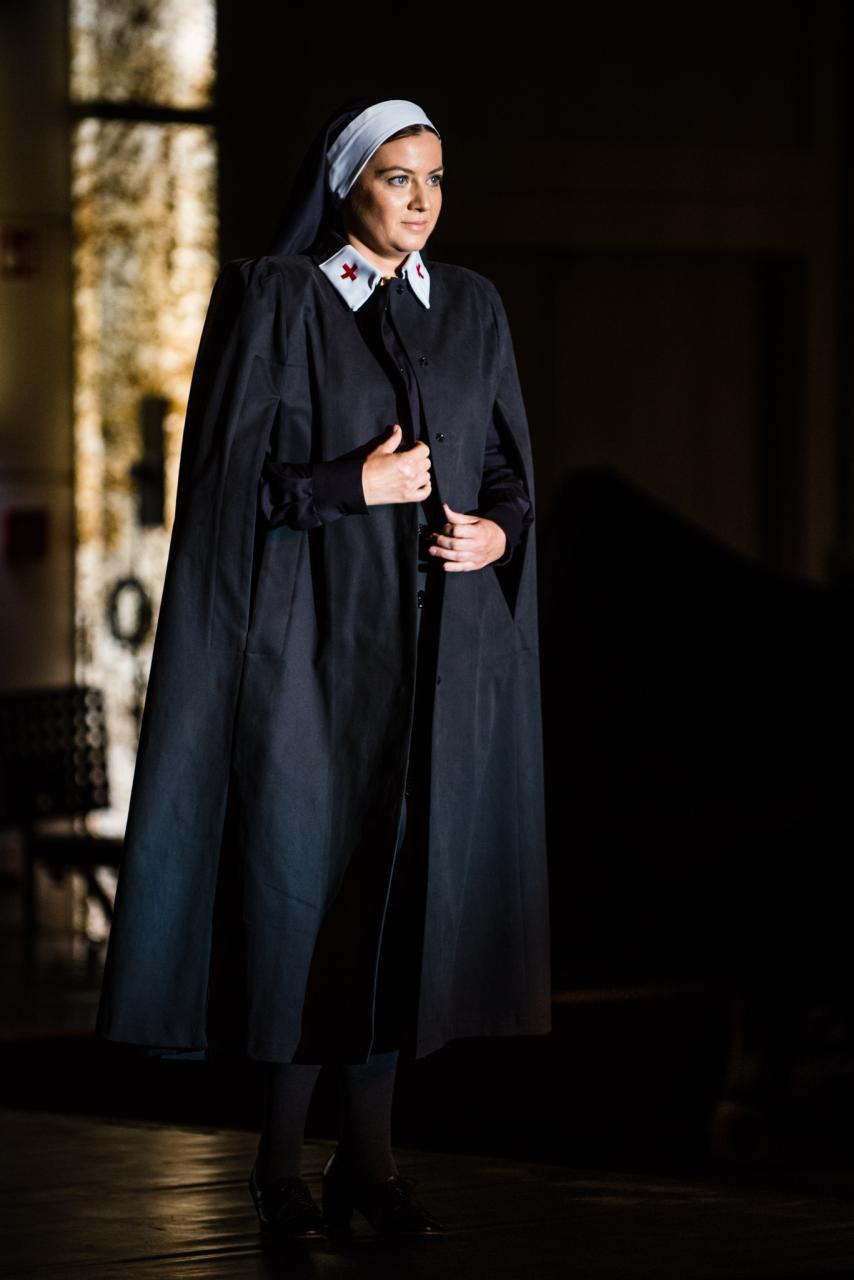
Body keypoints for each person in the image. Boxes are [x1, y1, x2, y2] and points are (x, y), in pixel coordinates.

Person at [95, 94, 551, 1243]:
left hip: (434, 660)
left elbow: (506, 470)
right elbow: (227, 486)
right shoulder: (277, 298)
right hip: (309, 661)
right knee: (302, 902)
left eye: (434, 178)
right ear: (346, 184)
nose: (421, 200)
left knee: (400, 905)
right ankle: (276, 1165)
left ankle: (371, 1163)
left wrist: (494, 532)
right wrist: (355, 484)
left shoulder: (470, 308)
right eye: (397, 177)